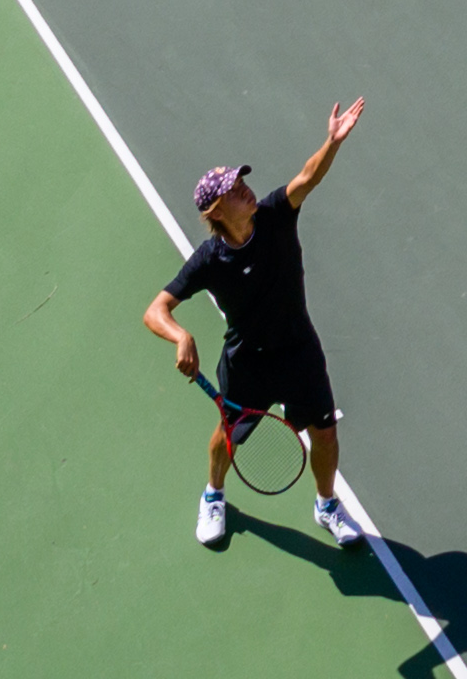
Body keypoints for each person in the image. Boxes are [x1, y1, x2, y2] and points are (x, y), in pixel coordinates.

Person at [150, 97, 364, 549]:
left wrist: (332, 142)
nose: (245, 188)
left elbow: (308, 177)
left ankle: (326, 505)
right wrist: (181, 335)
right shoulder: (210, 260)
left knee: (325, 432)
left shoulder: (275, 217)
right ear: (216, 213)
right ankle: (214, 495)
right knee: (228, 438)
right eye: (233, 189)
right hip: (249, 363)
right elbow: (156, 310)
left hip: (299, 349)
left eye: (242, 182)